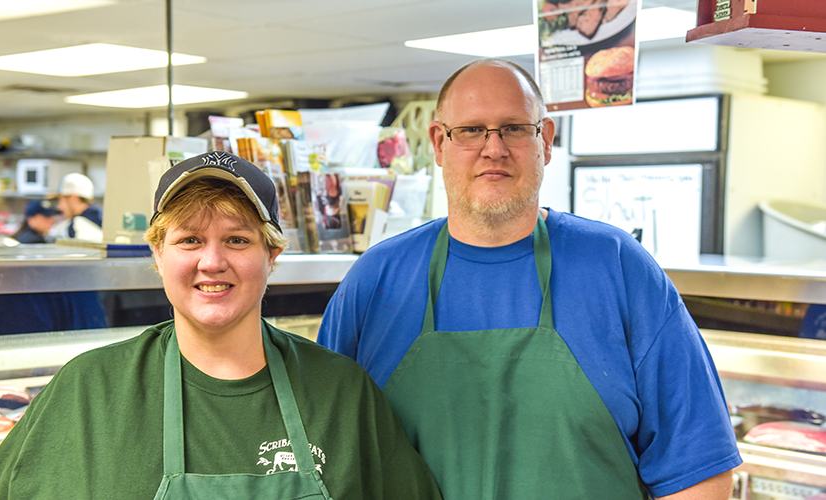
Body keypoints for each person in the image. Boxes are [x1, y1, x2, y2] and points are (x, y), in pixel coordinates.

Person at [317, 58, 742, 499]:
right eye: (471, 130)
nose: (494, 148)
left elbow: (698, 471)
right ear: (439, 143)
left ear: (547, 141)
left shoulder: (618, 267)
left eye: (515, 129)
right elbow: (322, 458)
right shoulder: (375, 280)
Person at [0, 151, 442, 499]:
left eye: (236, 239)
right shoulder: (88, 391)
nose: (211, 262)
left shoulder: (341, 394)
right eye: (189, 239)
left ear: (271, 255)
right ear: (157, 254)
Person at [48, 172, 103, 242]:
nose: (59, 207)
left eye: (61, 200)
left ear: (73, 198)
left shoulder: (79, 224)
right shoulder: (102, 218)